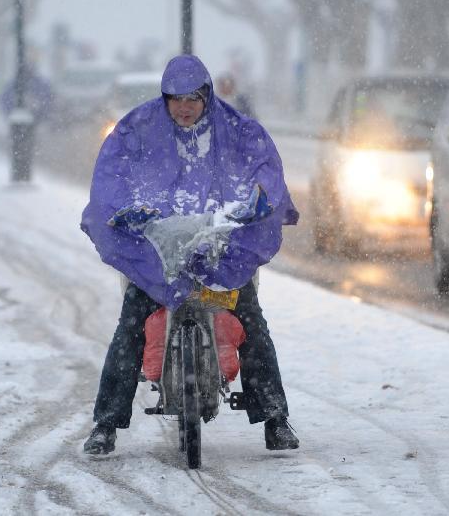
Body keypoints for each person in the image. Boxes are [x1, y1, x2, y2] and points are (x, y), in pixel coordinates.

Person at [80, 54, 300, 454]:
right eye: (175, 99)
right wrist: (125, 212)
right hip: (158, 262)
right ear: (164, 99)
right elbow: (112, 175)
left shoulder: (236, 131)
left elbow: (262, 168)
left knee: (251, 323)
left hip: (220, 256)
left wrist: (257, 201)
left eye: (192, 99)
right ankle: (106, 425)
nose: (183, 107)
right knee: (130, 327)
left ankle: (275, 420)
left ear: (207, 98)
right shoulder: (138, 130)